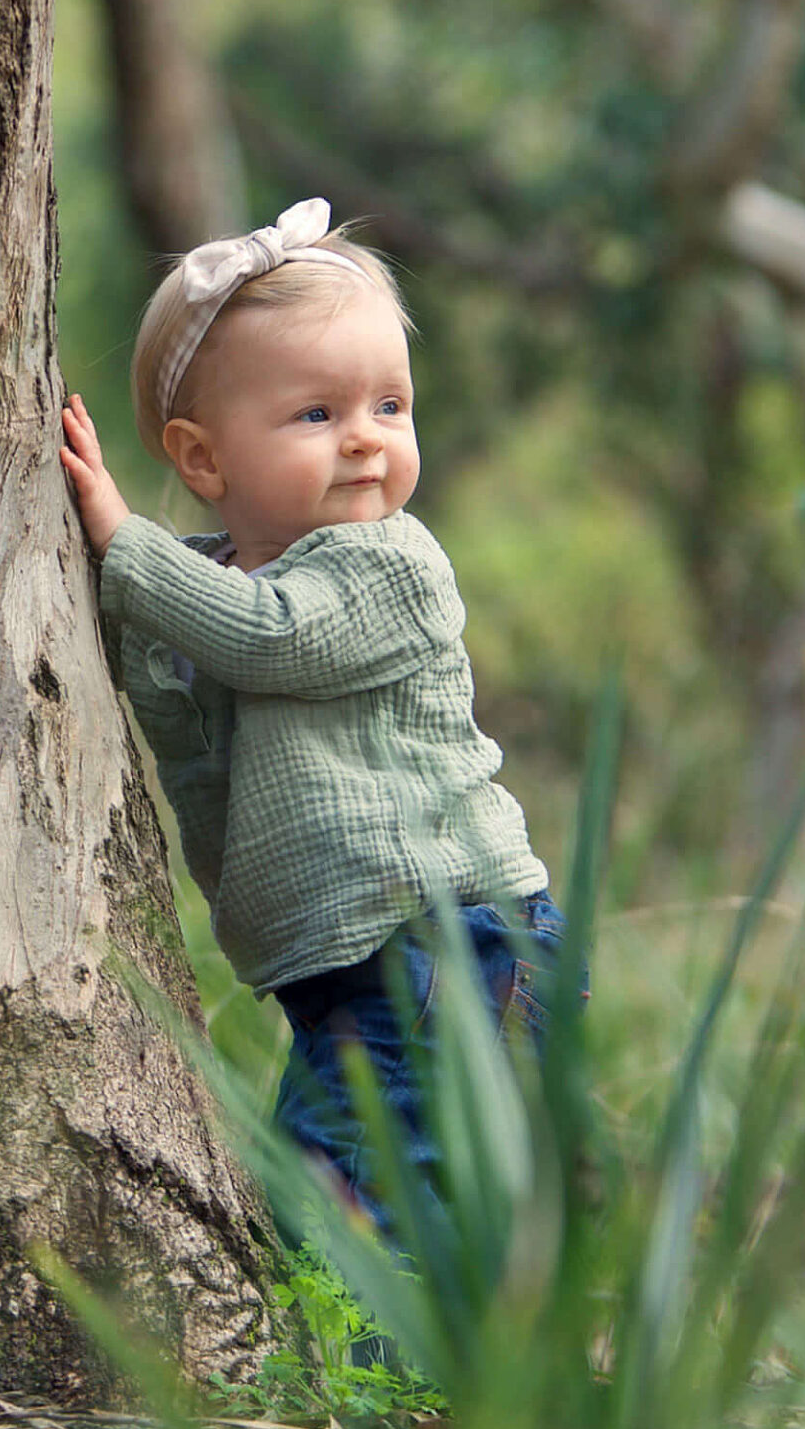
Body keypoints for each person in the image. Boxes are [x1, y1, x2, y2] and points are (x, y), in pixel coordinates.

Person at [55, 198, 562, 1237]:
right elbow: (183, 692)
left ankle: (396, 1383)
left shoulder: (393, 565)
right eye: (318, 416)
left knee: (355, 1192)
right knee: (360, 1179)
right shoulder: (217, 583)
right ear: (204, 462)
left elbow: (273, 638)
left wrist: (121, 538)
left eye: (391, 406)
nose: (367, 441)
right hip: (362, 963)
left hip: (444, 942)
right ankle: (428, 1364)